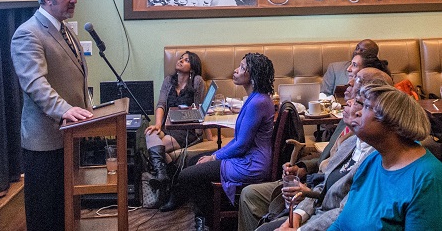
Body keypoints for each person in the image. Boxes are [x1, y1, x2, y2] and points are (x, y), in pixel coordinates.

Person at [238, 69, 392, 231]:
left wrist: (300, 225)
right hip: (314, 193)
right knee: (252, 198)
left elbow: (345, 210)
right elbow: (325, 178)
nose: (349, 82)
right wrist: (302, 171)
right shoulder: (351, 139)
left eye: (361, 102)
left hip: (326, 213)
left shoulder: (378, 157)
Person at [11, 0, 93, 231]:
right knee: (45, 215)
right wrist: (66, 110)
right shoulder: (28, 33)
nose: (74, 0)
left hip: (69, 136)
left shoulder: (64, 28)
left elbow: (73, 76)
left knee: (65, 212)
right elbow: (35, 84)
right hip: (45, 141)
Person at [161, 53, 275, 231]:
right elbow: (239, 141)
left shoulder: (257, 102)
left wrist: (214, 157)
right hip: (245, 156)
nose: (236, 70)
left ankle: (213, 221)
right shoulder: (255, 98)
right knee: (192, 162)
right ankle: (208, 218)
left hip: (251, 164)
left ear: (252, 76)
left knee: (186, 176)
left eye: (242, 68)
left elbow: (242, 144)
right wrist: (214, 156)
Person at [328, 84, 442, 230]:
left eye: (367, 107)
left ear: (392, 122)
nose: (357, 113)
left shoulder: (428, 177)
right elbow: (342, 223)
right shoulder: (372, 160)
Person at [144, 51, 206, 191]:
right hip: (168, 127)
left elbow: (201, 109)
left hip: (188, 130)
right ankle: (169, 180)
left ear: (193, 67)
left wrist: (207, 135)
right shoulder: (168, 81)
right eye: (180, 58)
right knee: (150, 134)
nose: (181, 61)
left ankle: (166, 181)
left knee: (161, 147)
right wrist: (158, 125)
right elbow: (161, 104)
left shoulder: (197, 81)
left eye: (186, 60)